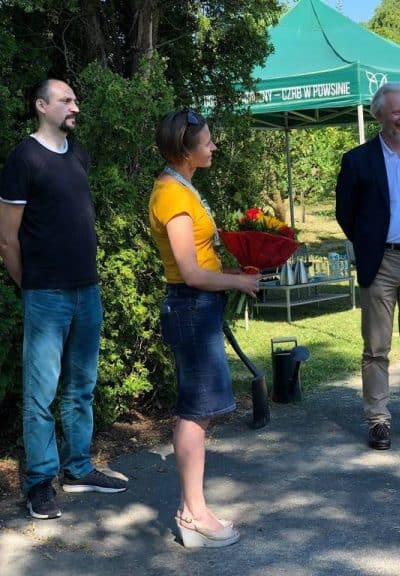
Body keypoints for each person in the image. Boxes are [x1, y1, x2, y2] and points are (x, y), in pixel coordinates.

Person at [0, 79, 128, 520]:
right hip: (46, 295)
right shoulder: (24, 158)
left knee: (81, 389)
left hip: (87, 290)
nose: (76, 106)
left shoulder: (78, 153)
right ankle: (39, 483)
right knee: (40, 395)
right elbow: (6, 238)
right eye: (66, 100)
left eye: (75, 99)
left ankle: (78, 469)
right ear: (41, 106)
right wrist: (30, 285)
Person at [148, 109, 259, 548]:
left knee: (203, 409)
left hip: (198, 306)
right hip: (191, 307)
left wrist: (230, 268)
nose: (213, 147)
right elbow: (190, 273)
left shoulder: (182, 188)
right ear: (185, 150)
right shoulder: (172, 196)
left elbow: (198, 260)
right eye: (207, 141)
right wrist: (238, 281)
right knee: (196, 411)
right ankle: (193, 514)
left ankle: (192, 506)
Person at [335, 82, 400, 450]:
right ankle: (378, 420)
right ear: (379, 114)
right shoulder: (357, 160)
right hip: (379, 261)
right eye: (399, 111)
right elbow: (345, 213)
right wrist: (369, 243)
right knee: (376, 348)